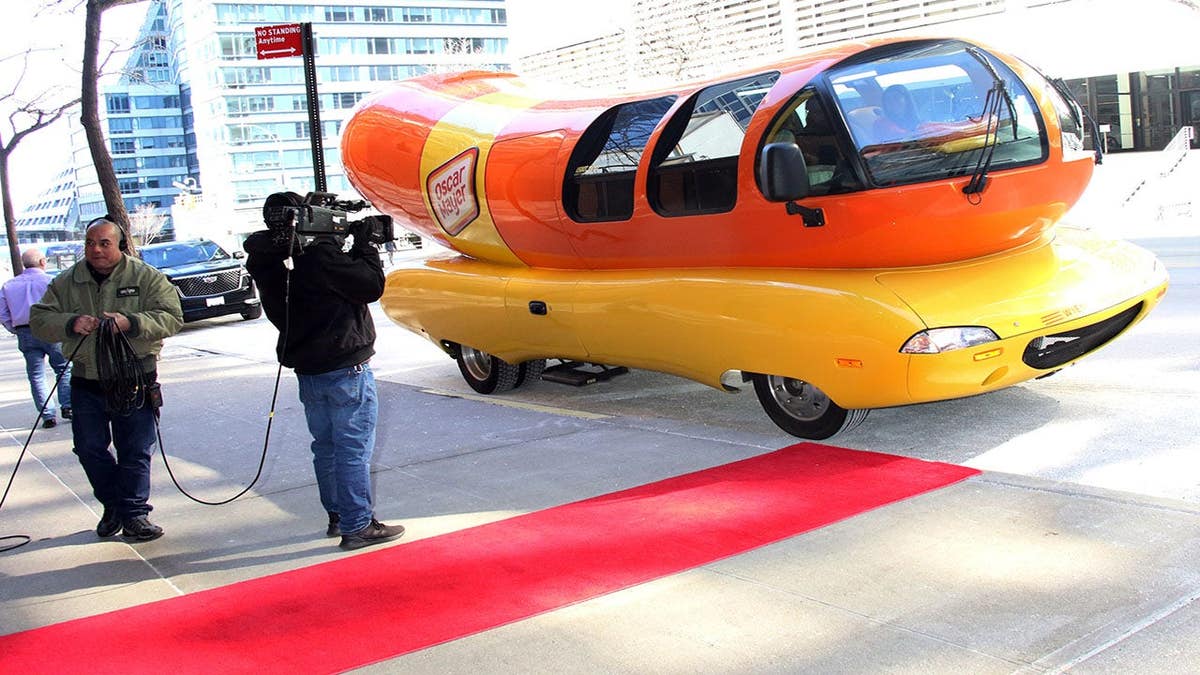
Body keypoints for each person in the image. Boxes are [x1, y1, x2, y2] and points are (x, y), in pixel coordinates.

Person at [243, 192, 405, 551]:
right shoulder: (319, 257)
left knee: (327, 447)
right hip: (345, 367)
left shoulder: (266, 257)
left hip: (308, 369)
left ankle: (338, 515)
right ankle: (358, 524)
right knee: (352, 450)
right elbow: (369, 285)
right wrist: (364, 246)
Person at [30, 217, 183, 542]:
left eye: (104, 243)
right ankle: (114, 504)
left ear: (121, 245)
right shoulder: (68, 281)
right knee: (88, 448)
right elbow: (39, 319)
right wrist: (71, 323)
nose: (96, 249)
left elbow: (172, 317)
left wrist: (131, 322)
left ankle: (134, 515)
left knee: (135, 449)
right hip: (87, 379)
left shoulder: (146, 277)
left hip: (134, 378)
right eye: (90, 243)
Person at [1, 248, 73, 428]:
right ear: (42, 262)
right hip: (51, 329)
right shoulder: (52, 282)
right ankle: (68, 406)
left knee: (35, 374)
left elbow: (2, 313)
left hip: (25, 331)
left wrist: (14, 328)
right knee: (63, 368)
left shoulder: (9, 285)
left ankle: (47, 414)